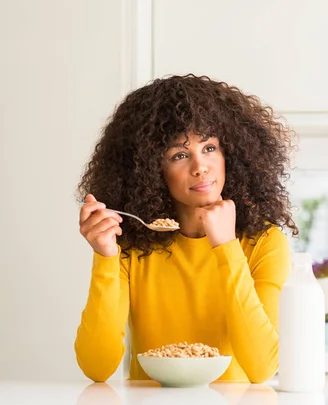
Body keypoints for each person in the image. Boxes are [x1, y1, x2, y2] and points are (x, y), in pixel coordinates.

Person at [75, 74, 298, 383]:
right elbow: (97, 367)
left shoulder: (264, 242)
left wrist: (226, 246)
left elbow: (261, 368)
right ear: (151, 169)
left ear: (229, 154)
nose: (199, 166)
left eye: (209, 148)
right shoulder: (132, 243)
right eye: (180, 155)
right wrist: (105, 257)